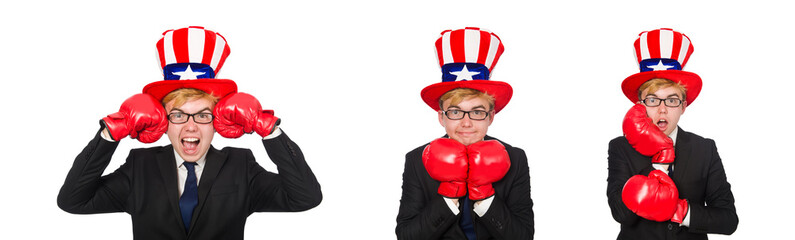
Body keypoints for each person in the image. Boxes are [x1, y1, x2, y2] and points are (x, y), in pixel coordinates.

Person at [57, 26, 322, 240]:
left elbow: (305, 198)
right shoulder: (140, 166)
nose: (191, 126)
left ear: (219, 120)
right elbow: (73, 201)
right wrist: (109, 133)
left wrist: (270, 130)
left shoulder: (241, 165)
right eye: (178, 114)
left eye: (203, 115)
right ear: (163, 120)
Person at [396, 27, 534, 239]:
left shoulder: (515, 157)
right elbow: (406, 236)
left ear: (491, 117)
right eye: (455, 111)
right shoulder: (417, 159)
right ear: (441, 117)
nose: (466, 122)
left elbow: (524, 236)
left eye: (477, 112)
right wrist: (448, 198)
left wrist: (486, 197)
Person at [606, 28, 738, 239]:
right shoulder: (620, 147)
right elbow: (620, 214)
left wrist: (681, 212)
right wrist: (658, 166)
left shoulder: (705, 149)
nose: (662, 108)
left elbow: (728, 220)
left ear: (683, 106)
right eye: (652, 99)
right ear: (640, 105)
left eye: (672, 99)